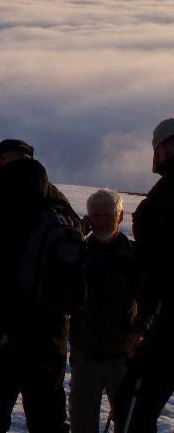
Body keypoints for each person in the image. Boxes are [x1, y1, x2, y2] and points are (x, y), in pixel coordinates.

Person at [0, 139, 79, 433]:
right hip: (51, 328)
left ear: (1, 160)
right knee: (49, 419)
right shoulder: (58, 199)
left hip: (2, 324)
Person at [112, 118, 174, 432]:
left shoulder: (162, 201)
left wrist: (142, 323)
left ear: (163, 148)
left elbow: (156, 270)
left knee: (132, 406)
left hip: (164, 324)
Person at [68, 189, 137, 433]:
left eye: (107, 215)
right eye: (94, 216)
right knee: (82, 423)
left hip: (123, 357)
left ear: (120, 217)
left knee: (129, 423)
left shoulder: (134, 257)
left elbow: (149, 301)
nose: (101, 222)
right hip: (85, 355)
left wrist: (140, 332)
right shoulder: (78, 254)